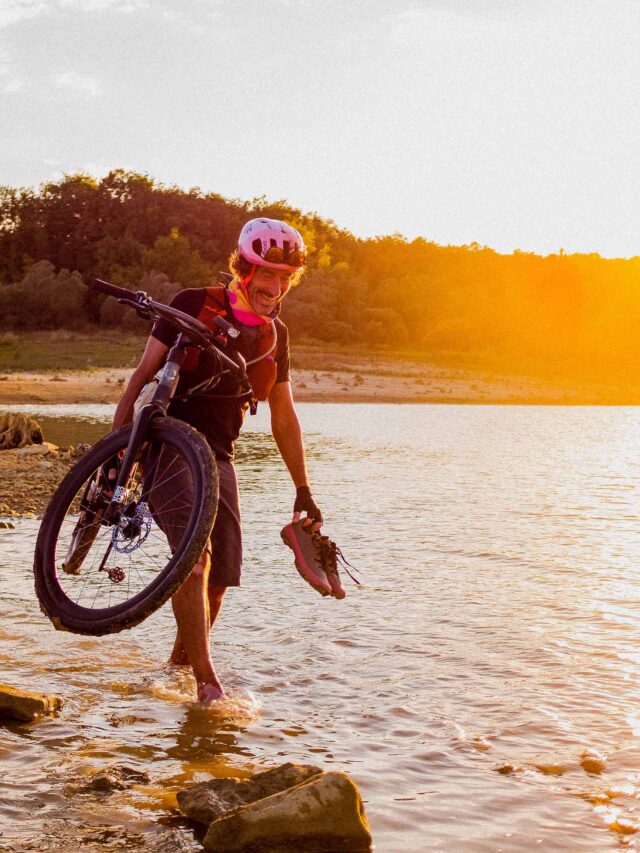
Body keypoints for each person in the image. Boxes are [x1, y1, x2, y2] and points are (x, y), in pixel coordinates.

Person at [111, 218, 324, 703]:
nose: (275, 288)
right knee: (195, 556)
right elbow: (142, 376)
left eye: (284, 279)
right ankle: (208, 683)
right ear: (244, 270)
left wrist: (303, 489)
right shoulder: (192, 303)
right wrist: (116, 449)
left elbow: (284, 415)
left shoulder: (275, 335)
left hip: (219, 455)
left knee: (221, 577)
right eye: (266, 275)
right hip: (167, 441)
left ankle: (176, 670)